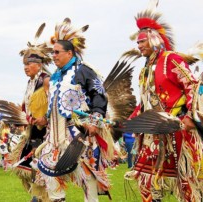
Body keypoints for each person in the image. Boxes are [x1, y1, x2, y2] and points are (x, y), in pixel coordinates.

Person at [124, 2, 203, 202]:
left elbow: (192, 87)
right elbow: (144, 103)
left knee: (186, 184)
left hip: (178, 132)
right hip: (152, 135)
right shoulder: (145, 70)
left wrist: (191, 118)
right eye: (138, 42)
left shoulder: (172, 60)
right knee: (147, 181)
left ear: (154, 39)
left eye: (142, 41)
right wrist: (130, 121)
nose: (139, 45)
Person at [35, 18, 115, 202]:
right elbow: (57, 105)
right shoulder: (55, 77)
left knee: (86, 174)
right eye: (52, 52)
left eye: (57, 52)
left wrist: (95, 121)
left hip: (78, 131)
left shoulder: (84, 71)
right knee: (48, 170)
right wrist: (46, 118)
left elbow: (99, 95)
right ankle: (58, 199)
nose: (53, 56)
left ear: (69, 52)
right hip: (54, 135)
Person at [10, 22, 52, 201]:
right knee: (26, 167)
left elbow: (52, 105)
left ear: (38, 64)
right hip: (33, 131)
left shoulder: (46, 80)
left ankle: (43, 197)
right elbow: (26, 106)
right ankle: (38, 196)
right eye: (24, 64)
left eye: (28, 64)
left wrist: (45, 119)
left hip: (46, 133)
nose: (25, 67)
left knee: (41, 167)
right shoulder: (31, 82)